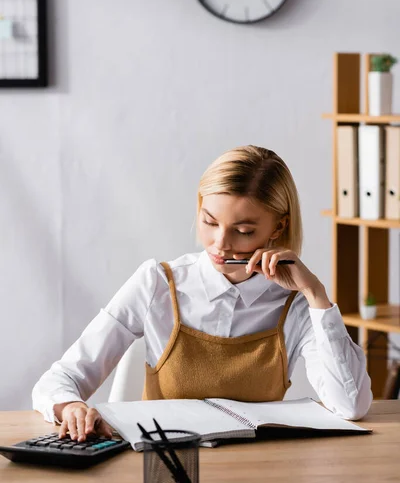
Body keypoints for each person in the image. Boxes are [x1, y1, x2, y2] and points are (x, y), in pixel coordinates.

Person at [32, 145, 372, 442]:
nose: (221, 243)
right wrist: (71, 405)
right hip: (166, 470)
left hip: (261, 475)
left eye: (243, 230)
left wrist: (315, 295)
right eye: (210, 222)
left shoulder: (296, 304)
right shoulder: (157, 284)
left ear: (278, 227)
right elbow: (59, 380)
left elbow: (351, 405)